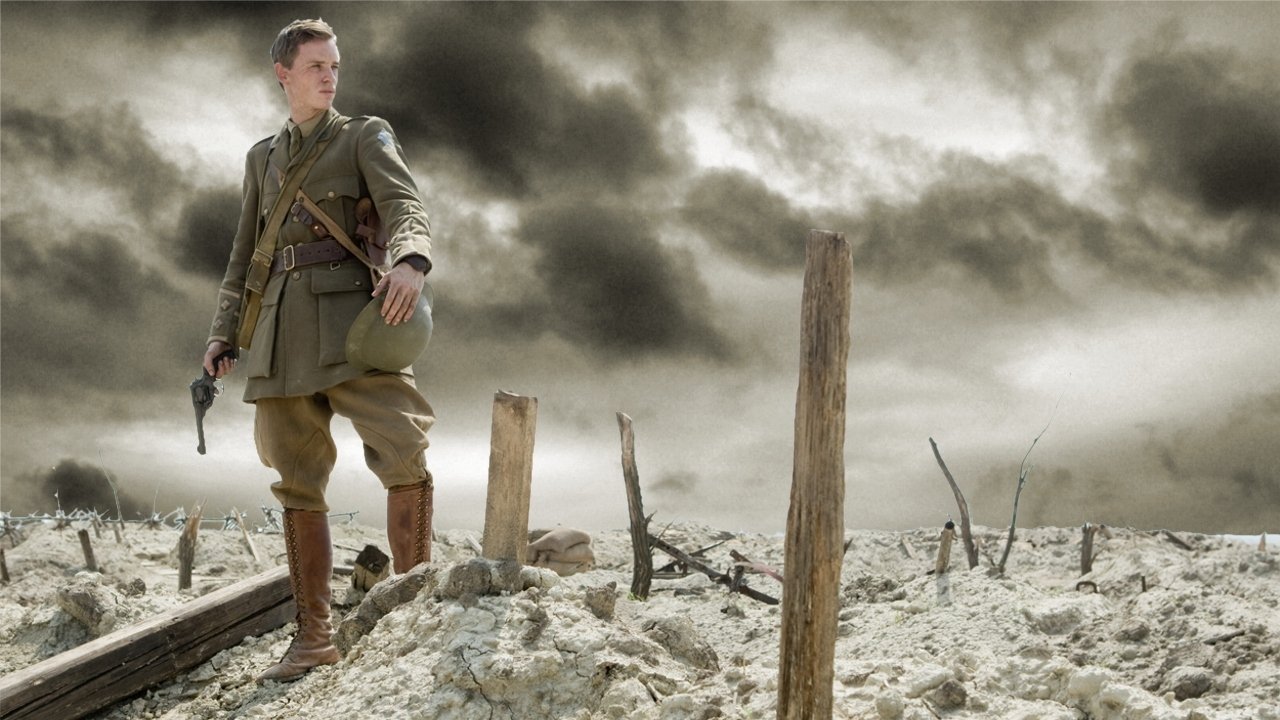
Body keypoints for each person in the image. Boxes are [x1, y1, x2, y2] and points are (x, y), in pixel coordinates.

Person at [202, 18, 436, 683]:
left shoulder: (364, 135)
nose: (330, 76)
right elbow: (245, 254)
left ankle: (415, 622)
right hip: (280, 332)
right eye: (315, 66)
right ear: (284, 73)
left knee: (403, 450)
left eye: (335, 66)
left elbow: (404, 203)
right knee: (295, 478)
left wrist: (411, 260)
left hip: (357, 322)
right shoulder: (262, 158)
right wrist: (224, 332)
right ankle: (313, 638)